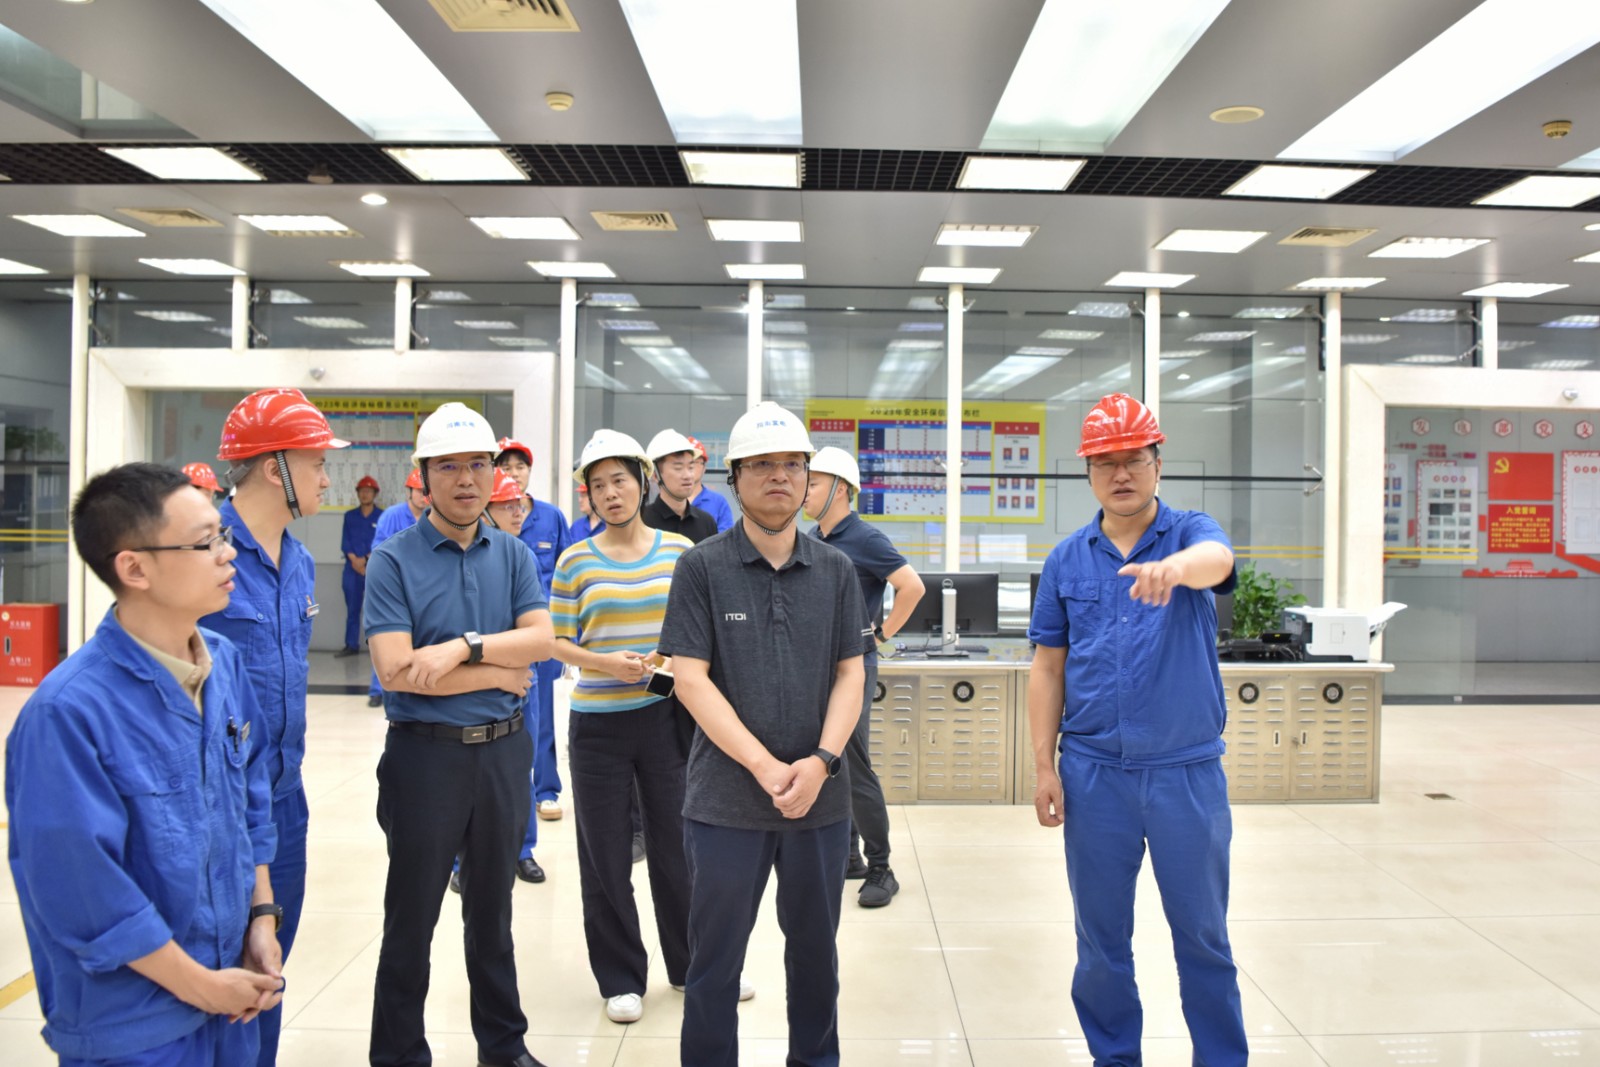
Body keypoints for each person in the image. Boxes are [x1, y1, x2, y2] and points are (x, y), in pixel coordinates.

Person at [6, 462, 283, 1066]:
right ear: (134, 568)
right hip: (135, 1026)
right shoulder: (67, 715)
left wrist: (261, 917)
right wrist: (201, 987)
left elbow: (251, 801)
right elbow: (84, 894)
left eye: (223, 534)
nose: (227, 553)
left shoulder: (224, 664)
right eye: (205, 542)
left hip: (230, 994)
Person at [1027, 393, 1248, 1067]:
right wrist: (1043, 767)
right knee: (1100, 943)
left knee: (1203, 937)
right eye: (1105, 462)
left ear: (1158, 462)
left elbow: (1218, 560)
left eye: (1133, 459)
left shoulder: (1189, 532)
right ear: (1088, 472)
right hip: (1095, 775)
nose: (1120, 473)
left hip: (1186, 774)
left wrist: (1174, 570)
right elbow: (1047, 668)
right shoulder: (1067, 559)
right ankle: (1114, 1057)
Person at [658, 402, 873, 1067]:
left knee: (816, 958)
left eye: (792, 465)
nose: (779, 476)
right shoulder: (702, 567)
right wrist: (763, 765)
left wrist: (822, 761)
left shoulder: (835, 570)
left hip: (820, 803)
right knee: (714, 964)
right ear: (735, 477)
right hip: (725, 804)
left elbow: (851, 671)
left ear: (808, 478)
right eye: (762, 465)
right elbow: (689, 678)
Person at [363, 403, 554, 1067]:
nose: (467, 478)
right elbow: (395, 670)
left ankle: (504, 1047)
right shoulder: (392, 560)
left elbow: (541, 640)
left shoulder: (514, 553)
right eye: (449, 466)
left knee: (493, 915)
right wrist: (498, 669)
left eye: (478, 464)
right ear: (424, 475)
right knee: (411, 918)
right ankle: (398, 1054)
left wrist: (457, 650)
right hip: (426, 759)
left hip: (503, 752)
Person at [201, 387, 347, 1067]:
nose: (326, 478)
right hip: (217, 808)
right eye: (316, 463)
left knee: (268, 968)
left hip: (284, 799)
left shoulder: (297, 559)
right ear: (272, 467)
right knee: (219, 974)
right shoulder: (207, 554)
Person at [549, 429, 701, 1025]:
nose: (610, 493)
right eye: (598, 485)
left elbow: (695, 628)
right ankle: (620, 977)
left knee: (678, 847)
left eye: (619, 480)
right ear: (587, 496)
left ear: (642, 482)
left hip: (665, 717)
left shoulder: (678, 552)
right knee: (604, 853)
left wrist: (666, 657)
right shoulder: (575, 560)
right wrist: (606, 663)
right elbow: (558, 641)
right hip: (598, 727)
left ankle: (690, 966)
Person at [802, 446, 925, 908]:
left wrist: (882, 633)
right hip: (818, 665)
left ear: (841, 488)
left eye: (813, 482)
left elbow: (912, 586)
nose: (803, 489)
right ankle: (850, 856)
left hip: (854, 664)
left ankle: (881, 866)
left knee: (852, 762)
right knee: (828, 759)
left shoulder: (864, 537)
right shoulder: (812, 537)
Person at [495, 435, 571, 823]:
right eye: (505, 466)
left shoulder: (551, 517)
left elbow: (568, 575)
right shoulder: (487, 517)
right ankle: (513, 794)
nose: (513, 473)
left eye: (519, 466)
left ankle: (546, 790)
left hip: (544, 635)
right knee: (506, 716)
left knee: (544, 716)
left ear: (529, 471)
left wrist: (568, 635)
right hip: (501, 635)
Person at [479, 469, 546, 887]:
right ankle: (461, 862)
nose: (517, 513)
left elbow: (538, 629)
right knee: (470, 774)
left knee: (523, 766)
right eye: (507, 506)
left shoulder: (523, 557)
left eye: (519, 505)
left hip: (524, 678)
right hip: (479, 677)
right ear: (486, 510)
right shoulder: (469, 558)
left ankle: (523, 850)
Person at [365, 468, 428, 708]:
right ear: (409, 492)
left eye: (426, 492)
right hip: (395, 589)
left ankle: (415, 688)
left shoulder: (435, 516)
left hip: (424, 590)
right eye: (419, 491)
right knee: (385, 640)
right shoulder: (392, 516)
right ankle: (377, 690)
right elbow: (379, 552)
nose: (423, 496)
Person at [642, 429, 719, 543]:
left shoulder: (707, 523)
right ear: (656, 475)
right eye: (678, 468)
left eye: (691, 467)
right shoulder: (641, 522)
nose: (688, 475)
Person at [337, 475, 381, 657]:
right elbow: (345, 542)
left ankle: (379, 648)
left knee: (377, 610)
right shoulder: (350, 516)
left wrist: (365, 560)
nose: (365, 494)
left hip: (374, 569)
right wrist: (355, 561)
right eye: (362, 491)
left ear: (374, 494)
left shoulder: (382, 516)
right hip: (351, 569)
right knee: (352, 609)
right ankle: (351, 645)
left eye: (368, 491)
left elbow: (382, 542)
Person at [683, 433, 734, 533]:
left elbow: (726, 538)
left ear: (704, 468)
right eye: (685, 462)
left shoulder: (718, 502)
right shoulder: (671, 500)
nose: (690, 467)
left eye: (695, 462)